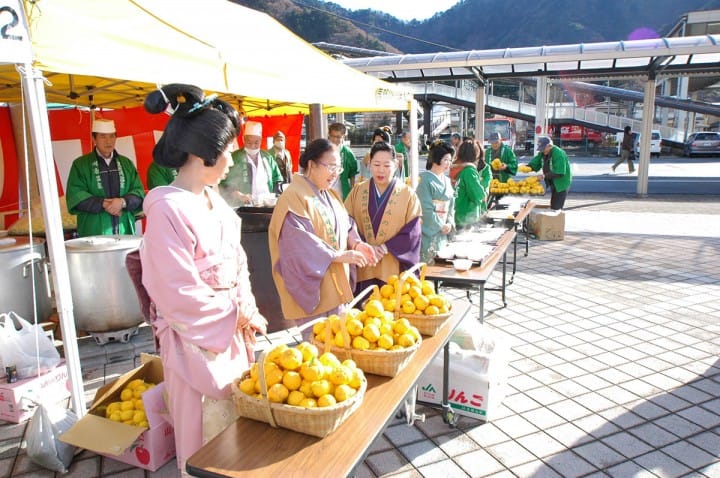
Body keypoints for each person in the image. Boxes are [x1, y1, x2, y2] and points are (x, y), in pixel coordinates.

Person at [139, 83, 268, 475]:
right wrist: (236, 313)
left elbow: (239, 264)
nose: (232, 159)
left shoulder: (215, 203)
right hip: (195, 343)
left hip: (231, 334)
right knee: (203, 440)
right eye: (228, 150)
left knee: (240, 432)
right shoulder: (166, 208)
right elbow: (176, 292)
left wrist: (248, 308)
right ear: (203, 153)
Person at [268, 139, 378, 326]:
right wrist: (338, 255)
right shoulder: (293, 197)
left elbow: (346, 224)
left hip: (335, 286)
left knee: (338, 345)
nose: (335, 174)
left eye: (338, 168)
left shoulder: (329, 194)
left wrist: (357, 244)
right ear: (311, 164)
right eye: (331, 167)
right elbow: (298, 243)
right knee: (316, 347)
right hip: (314, 291)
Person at [344, 141, 422, 292]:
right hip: (363, 265)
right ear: (369, 164)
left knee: (390, 309)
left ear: (396, 165)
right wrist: (360, 244)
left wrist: (386, 247)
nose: (381, 170)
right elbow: (345, 221)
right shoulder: (357, 191)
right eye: (376, 164)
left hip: (392, 266)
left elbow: (413, 232)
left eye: (386, 165)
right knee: (363, 310)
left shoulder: (408, 195)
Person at [65, 119, 145, 237]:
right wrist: (103, 204)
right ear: (94, 139)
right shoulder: (80, 164)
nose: (108, 141)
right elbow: (75, 195)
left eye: (112, 136)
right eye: (103, 137)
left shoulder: (126, 163)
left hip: (123, 227)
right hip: (93, 229)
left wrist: (122, 202)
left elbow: (138, 192)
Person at [220, 120, 282, 207]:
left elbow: (277, 179)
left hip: (266, 206)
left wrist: (276, 196)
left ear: (261, 140)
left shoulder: (268, 158)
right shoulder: (235, 157)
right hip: (243, 206)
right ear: (243, 140)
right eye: (249, 142)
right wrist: (239, 195)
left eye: (256, 143)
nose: (253, 146)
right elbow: (224, 185)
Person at [416, 140, 455, 263]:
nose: (448, 163)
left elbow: (451, 205)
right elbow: (426, 209)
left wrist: (449, 223)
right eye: (445, 160)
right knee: (428, 266)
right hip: (430, 230)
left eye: (450, 160)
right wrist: (440, 225)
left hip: (444, 230)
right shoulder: (425, 180)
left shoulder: (447, 180)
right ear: (436, 159)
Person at [526, 136, 572, 210]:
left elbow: (559, 172)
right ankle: (553, 214)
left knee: (556, 206)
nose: (542, 151)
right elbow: (536, 162)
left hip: (562, 182)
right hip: (553, 181)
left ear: (549, 146)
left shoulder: (558, 153)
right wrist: (527, 167)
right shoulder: (543, 153)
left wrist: (544, 176)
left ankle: (555, 218)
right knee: (553, 203)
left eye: (543, 148)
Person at [454, 140, 491, 229]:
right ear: (475, 154)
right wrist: (484, 194)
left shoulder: (458, 167)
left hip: (458, 214)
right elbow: (478, 196)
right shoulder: (469, 171)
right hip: (467, 218)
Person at [327, 122, 359, 200]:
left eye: (338, 137)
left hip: (342, 190)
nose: (334, 139)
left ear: (343, 136)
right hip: (325, 188)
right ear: (329, 134)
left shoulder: (348, 153)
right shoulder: (322, 150)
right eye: (332, 136)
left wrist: (353, 190)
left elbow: (353, 173)